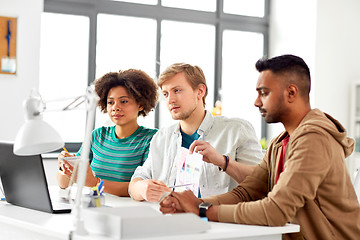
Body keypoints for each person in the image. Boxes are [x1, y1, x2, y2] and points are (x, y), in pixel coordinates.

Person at [159, 55, 360, 239]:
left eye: (264, 93)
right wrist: (189, 203)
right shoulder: (280, 143)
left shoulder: (314, 139)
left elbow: (276, 210)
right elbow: (246, 193)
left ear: (291, 92)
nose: (256, 102)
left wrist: (202, 210)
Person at [129, 63, 264, 202]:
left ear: (200, 91)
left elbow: (261, 184)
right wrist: (142, 188)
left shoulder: (237, 130)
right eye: (166, 94)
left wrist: (223, 162)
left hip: (219, 220)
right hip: (169, 218)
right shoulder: (161, 138)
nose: (170, 100)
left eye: (177, 91)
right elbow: (136, 181)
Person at [57, 69, 158, 197]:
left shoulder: (151, 139)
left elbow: (142, 187)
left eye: (124, 101)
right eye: (110, 102)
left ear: (141, 105)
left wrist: (95, 182)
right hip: (94, 206)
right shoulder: (97, 136)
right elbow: (64, 184)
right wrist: (64, 165)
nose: (115, 107)